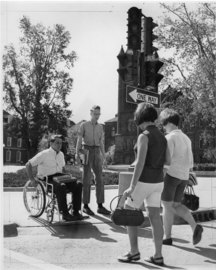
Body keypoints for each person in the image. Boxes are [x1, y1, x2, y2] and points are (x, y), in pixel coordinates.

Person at [117, 102, 170, 266]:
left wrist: (132, 186)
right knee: (155, 216)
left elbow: (139, 163)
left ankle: (134, 252)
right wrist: (160, 174)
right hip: (158, 182)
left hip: (144, 180)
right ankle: (158, 255)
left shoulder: (144, 136)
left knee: (129, 210)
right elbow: (168, 161)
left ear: (139, 117)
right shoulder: (162, 136)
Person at [159, 108, 203, 246]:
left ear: (167, 122)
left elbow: (167, 160)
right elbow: (190, 161)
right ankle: (194, 226)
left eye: (163, 124)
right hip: (183, 176)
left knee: (166, 205)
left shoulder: (169, 137)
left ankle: (167, 237)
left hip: (171, 176)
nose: (163, 127)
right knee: (177, 205)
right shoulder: (186, 138)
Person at [26, 134, 84, 221]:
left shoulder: (61, 154)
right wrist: (31, 179)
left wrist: (68, 177)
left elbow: (62, 168)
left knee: (78, 184)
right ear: (51, 143)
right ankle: (64, 213)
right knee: (61, 186)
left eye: (61, 143)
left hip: (60, 177)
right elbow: (28, 164)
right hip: (46, 178)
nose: (59, 145)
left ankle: (76, 211)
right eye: (57, 143)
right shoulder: (44, 154)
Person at [76, 105, 111, 216]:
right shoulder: (84, 125)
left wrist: (104, 157)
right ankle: (85, 206)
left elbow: (101, 143)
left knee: (100, 179)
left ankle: (100, 206)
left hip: (97, 152)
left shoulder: (100, 127)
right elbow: (79, 140)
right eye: (95, 114)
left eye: (98, 114)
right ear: (91, 113)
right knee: (86, 179)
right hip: (86, 150)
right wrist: (77, 154)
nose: (97, 116)